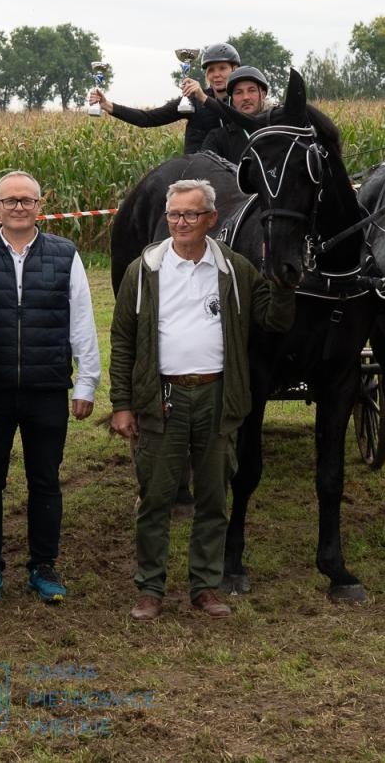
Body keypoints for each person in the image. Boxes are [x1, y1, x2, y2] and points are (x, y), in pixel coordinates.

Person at [109, 179, 295, 622]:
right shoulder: (145, 270)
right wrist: (122, 404)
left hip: (216, 396)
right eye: (174, 214)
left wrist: (286, 283)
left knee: (213, 499)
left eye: (191, 215)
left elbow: (273, 319)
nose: (181, 223)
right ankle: (150, 590)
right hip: (163, 398)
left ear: (211, 219)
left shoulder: (234, 270)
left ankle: (205, 587)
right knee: (156, 498)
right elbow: (123, 342)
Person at [0, 172, 100, 608]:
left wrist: (86, 381)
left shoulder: (65, 254)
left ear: (40, 205)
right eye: (10, 201)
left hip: (46, 387)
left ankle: (44, 566)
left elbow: (81, 320)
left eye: (27, 200)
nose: (19, 207)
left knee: (45, 480)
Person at [87, 43, 241, 155]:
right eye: (211, 70)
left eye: (222, 68)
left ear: (234, 69)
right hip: (196, 177)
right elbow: (148, 119)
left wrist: (203, 97)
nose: (216, 75)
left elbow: (235, 119)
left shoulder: (243, 103)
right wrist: (107, 105)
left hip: (233, 176)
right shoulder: (192, 102)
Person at [200, 66, 271, 164]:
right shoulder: (217, 138)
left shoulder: (279, 131)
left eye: (251, 90)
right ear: (232, 100)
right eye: (238, 92)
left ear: (263, 95)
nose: (246, 97)